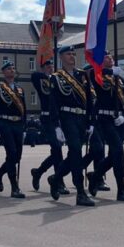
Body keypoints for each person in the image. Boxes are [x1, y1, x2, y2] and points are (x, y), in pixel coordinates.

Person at [48, 45, 96, 207]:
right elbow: (53, 103)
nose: (72, 56)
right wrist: (56, 126)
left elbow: (89, 100)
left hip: (81, 118)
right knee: (75, 149)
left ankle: (55, 179)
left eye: (73, 54)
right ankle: (81, 192)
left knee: (73, 154)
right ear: (61, 57)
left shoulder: (82, 75)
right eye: (68, 54)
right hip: (66, 117)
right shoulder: (56, 77)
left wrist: (91, 121)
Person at [86, 52, 124, 202]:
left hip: (118, 120)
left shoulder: (119, 79)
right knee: (118, 151)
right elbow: (93, 74)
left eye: (111, 57)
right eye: (107, 57)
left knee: (115, 154)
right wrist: (109, 72)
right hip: (104, 119)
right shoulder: (97, 76)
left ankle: (95, 176)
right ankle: (121, 189)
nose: (111, 59)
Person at [29, 59, 69, 194]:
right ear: (42, 68)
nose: (50, 67)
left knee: (56, 152)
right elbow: (34, 76)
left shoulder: (57, 81)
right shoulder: (41, 80)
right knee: (57, 149)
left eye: (52, 65)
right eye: (47, 66)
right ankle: (59, 182)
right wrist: (47, 75)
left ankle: (38, 172)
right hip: (47, 119)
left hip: (59, 119)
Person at [0, 61, 27, 198]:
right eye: (9, 69)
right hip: (5, 124)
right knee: (11, 153)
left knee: (17, 157)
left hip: (17, 125)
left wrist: (24, 127)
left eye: (13, 68)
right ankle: (14, 187)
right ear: (4, 72)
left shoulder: (20, 89)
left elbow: (24, 109)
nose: (12, 70)